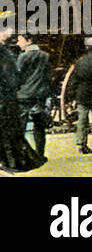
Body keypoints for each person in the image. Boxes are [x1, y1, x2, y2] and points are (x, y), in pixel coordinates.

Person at [0, 18, 44, 172]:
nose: (12, 33)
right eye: (8, 29)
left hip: (13, 96)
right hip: (12, 96)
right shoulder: (3, 51)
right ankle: (13, 161)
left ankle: (12, 162)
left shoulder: (9, 52)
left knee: (13, 129)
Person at [14, 32, 52, 158]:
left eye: (20, 40)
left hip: (24, 96)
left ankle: (21, 155)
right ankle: (40, 154)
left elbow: (17, 76)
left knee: (20, 128)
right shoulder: (45, 56)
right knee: (39, 127)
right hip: (40, 95)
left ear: (29, 41)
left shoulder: (23, 57)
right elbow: (47, 77)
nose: (18, 43)